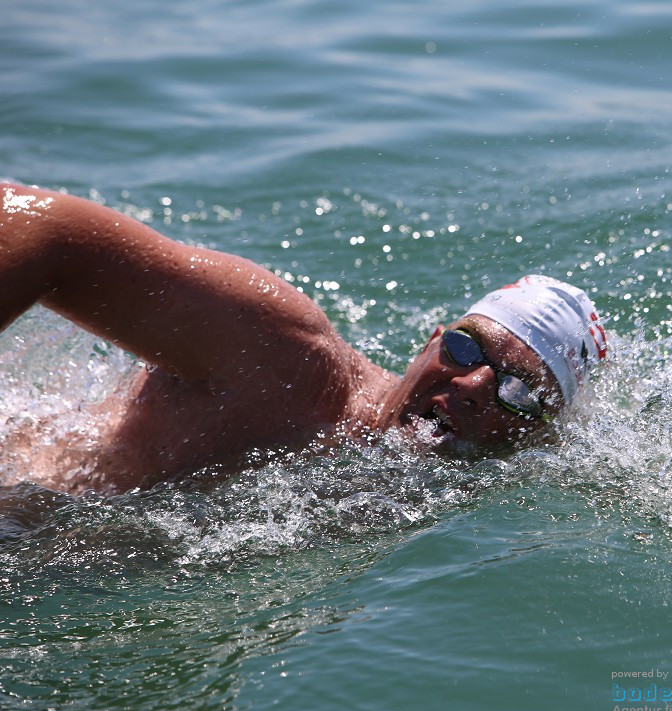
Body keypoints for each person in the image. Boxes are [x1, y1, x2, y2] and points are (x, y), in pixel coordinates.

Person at [0, 181, 608, 495]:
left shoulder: (447, 495)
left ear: (539, 435)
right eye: (468, 348)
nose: (473, 384)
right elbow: (50, 233)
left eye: (518, 392)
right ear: (431, 341)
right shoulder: (281, 355)